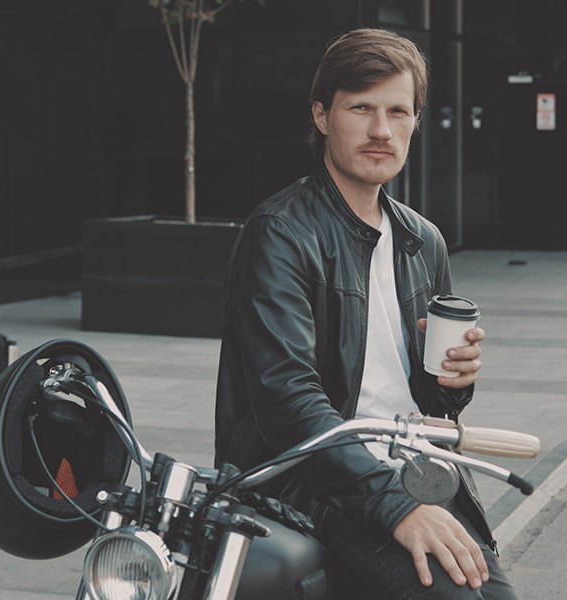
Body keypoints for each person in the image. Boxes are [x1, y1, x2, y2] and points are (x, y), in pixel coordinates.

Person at [214, 28, 517, 599]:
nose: (382, 130)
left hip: (415, 475)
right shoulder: (281, 234)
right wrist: (396, 506)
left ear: (415, 122)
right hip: (315, 486)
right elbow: (288, 402)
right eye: (361, 108)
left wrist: (454, 380)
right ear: (322, 115)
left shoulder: (421, 240)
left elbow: (425, 401)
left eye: (398, 111)